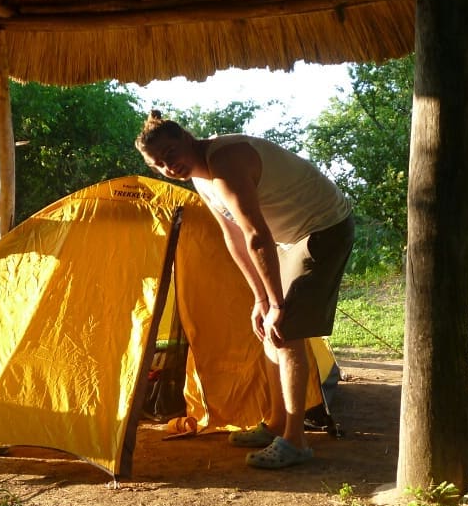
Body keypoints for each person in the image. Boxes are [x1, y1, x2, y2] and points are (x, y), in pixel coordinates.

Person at [135, 110, 353, 468]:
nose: (169, 167)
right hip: (288, 239)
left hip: (322, 228)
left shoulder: (226, 162)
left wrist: (278, 304)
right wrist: (261, 298)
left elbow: (256, 236)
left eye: (171, 154)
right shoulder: (200, 178)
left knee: (284, 331)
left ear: (187, 137)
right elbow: (233, 237)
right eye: (158, 164)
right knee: (269, 326)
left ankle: (295, 440)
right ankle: (276, 423)